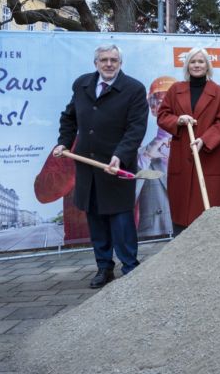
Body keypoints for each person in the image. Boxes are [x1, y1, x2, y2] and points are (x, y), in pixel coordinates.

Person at [53, 44, 149, 289]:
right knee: (95, 219)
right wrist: (64, 142)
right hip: (89, 166)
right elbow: (69, 117)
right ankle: (104, 267)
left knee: (121, 220)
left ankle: (130, 267)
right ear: (95, 62)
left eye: (113, 60)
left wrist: (120, 155)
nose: (109, 64)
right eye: (104, 60)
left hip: (116, 166)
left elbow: (136, 128)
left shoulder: (134, 89)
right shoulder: (82, 84)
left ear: (120, 63)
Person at [157, 47, 220, 233]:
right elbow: (163, 115)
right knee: (181, 208)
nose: (196, 65)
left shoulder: (218, 91)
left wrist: (204, 141)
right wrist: (178, 120)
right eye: (193, 61)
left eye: (201, 61)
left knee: (207, 208)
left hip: (208, 157)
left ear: (207, 66)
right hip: (182, 155)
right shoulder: (176, 90)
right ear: (187, 65)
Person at [136, 76, 177, 237]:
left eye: (172, 101)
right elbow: (127, 198)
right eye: (160, 102)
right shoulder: (141, 155)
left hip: (191, 233)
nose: (166, 107)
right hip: (154, 238)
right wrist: (147, 156)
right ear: (153, 108)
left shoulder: (196, 147)